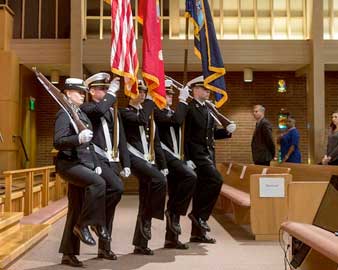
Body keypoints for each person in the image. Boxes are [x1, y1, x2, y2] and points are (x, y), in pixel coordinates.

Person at [55, 78, 109, 267]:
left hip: (82, 164)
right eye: (78, 92)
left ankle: (68, 254)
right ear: (68, 93)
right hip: (68, 164)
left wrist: (95, 164)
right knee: (99, 183)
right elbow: (58, 141)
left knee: (76, 208)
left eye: (83, 92)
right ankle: (86, 224)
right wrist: (77, 138)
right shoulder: (64, 114)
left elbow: (90, 145)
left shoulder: (81, 115)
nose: (82, 95)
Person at [81, 72, 130, 260]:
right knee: (117, 189)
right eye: (102, 88)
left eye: (106, 88)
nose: (106, 91)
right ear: (92, 91)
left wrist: (126, 163)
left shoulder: (113, 109)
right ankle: (95, 221)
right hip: (98, 160)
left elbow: (121, 138)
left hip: (113, 161)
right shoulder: (88, 108)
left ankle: (104, 247)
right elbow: (100, 110)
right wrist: (112, 93)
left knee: (111, 207)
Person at [184, 76, 235, 244]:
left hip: (209, 155)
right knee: (217, 181)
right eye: (205, 89)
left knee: (201, 191)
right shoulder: (189, 109)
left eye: (209, 89)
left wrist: (227, 131)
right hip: (197, 155)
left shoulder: (207, 109)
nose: (208, 92)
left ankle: (197, 234)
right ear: (195, 90)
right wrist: (187, 157)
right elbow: (186, 135)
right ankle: (199, 215)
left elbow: (209, 134)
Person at [119, 81, 167, 255]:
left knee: (146, 198)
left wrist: (163, 165)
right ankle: (149, 220)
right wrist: (150, 102)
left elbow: (156, 142)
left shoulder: (148, 115)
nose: (143, 94)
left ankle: (141, 244)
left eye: (145, 92)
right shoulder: (124, 112)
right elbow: (139, 120)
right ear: (129, 94)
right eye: (139, 91)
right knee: (159, 181)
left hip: (149, 159)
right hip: (134, 158)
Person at [154, 79, 197, 249]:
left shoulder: (170, 111)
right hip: (165, 157)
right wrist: (183, 101)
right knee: (190, 177)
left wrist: (186, 158)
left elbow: (181, 135)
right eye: (167, 93)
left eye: (171, 93)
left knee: (175, 194)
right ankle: (173, 212)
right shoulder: (157, 112)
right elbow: (177, 121)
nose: (170, 96)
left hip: (176, 158)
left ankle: (171, 238)